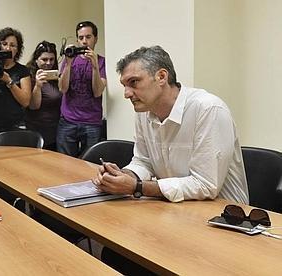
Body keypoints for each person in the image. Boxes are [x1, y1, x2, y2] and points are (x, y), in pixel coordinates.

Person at [96, 45, 249, 204]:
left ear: (161, 77)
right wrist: (122, 176)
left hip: (224, 216)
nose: (127, 94)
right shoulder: (144, 111)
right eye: (124, 85)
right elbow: (143, 161)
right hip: (175, 207)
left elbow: (205, 185)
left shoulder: (208, 109)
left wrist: (137, 187)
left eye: (134, 82)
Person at [57, 20, 107, 157]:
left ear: (95, 39)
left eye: (88, 37)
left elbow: (97, 92)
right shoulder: (70, 59)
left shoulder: (102, 62)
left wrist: (95, 66)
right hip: (68, 120)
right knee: (64, 163)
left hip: (92, 122)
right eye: (81, 38)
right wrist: (68, 64)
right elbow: (62, 88)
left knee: (90, 164)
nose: (84, 41)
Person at [25, 40, 62, 151]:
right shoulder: (29, 77)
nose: (48, 63)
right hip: (37, 130)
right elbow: (33, 106)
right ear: (36, 60)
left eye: (51, 59)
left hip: (56, 131)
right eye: (44, 59)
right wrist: (37, 86)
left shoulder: (56, 77)